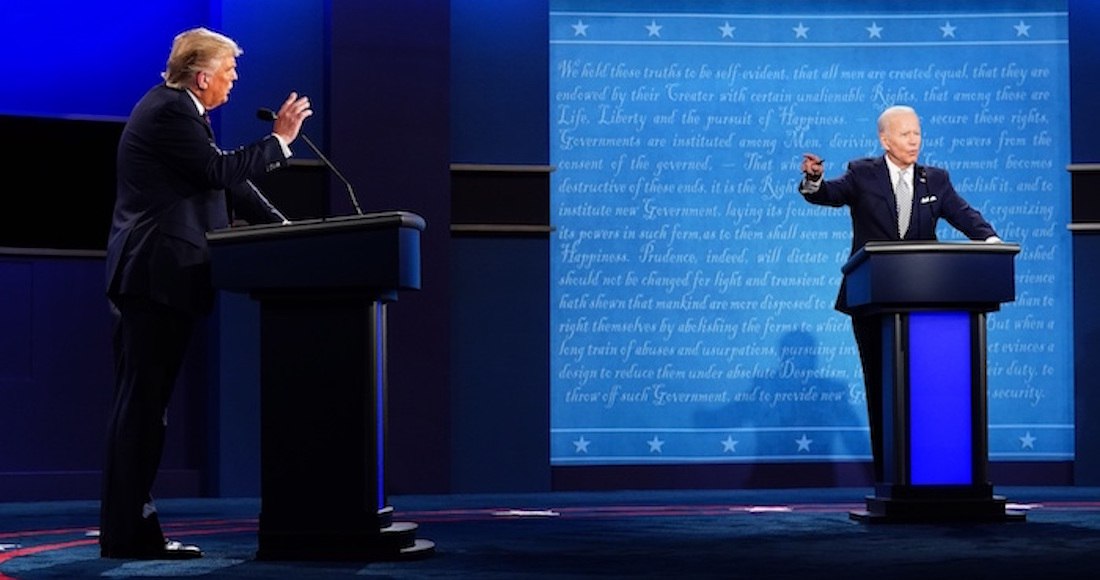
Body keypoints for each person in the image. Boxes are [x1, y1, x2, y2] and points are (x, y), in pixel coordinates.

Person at [100, 27, 312, 560]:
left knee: (145, 408)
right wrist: (279, 141)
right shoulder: (171, 111)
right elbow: (218, 171)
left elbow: (227, 183)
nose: (234, 80)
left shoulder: (181, 113)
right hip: (153, 276)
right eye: (229, 71)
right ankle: (128, 535)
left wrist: (286, 228)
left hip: (157, 278)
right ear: (201, 77)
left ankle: (130, 532)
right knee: (142, 409)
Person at [797, 105, 1000, 484]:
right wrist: (814, 179)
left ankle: (933, 475)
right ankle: (888, 477)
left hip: (927, 303)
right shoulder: (862, 174)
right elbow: (828, 194)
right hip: (872, 301)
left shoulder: (935, 180)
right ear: (884, 139)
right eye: (905, 134)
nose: (913, 140)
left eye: (917, 133)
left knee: (926, 393)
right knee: (882, 387)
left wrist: (991, 241)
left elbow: (963, 214)